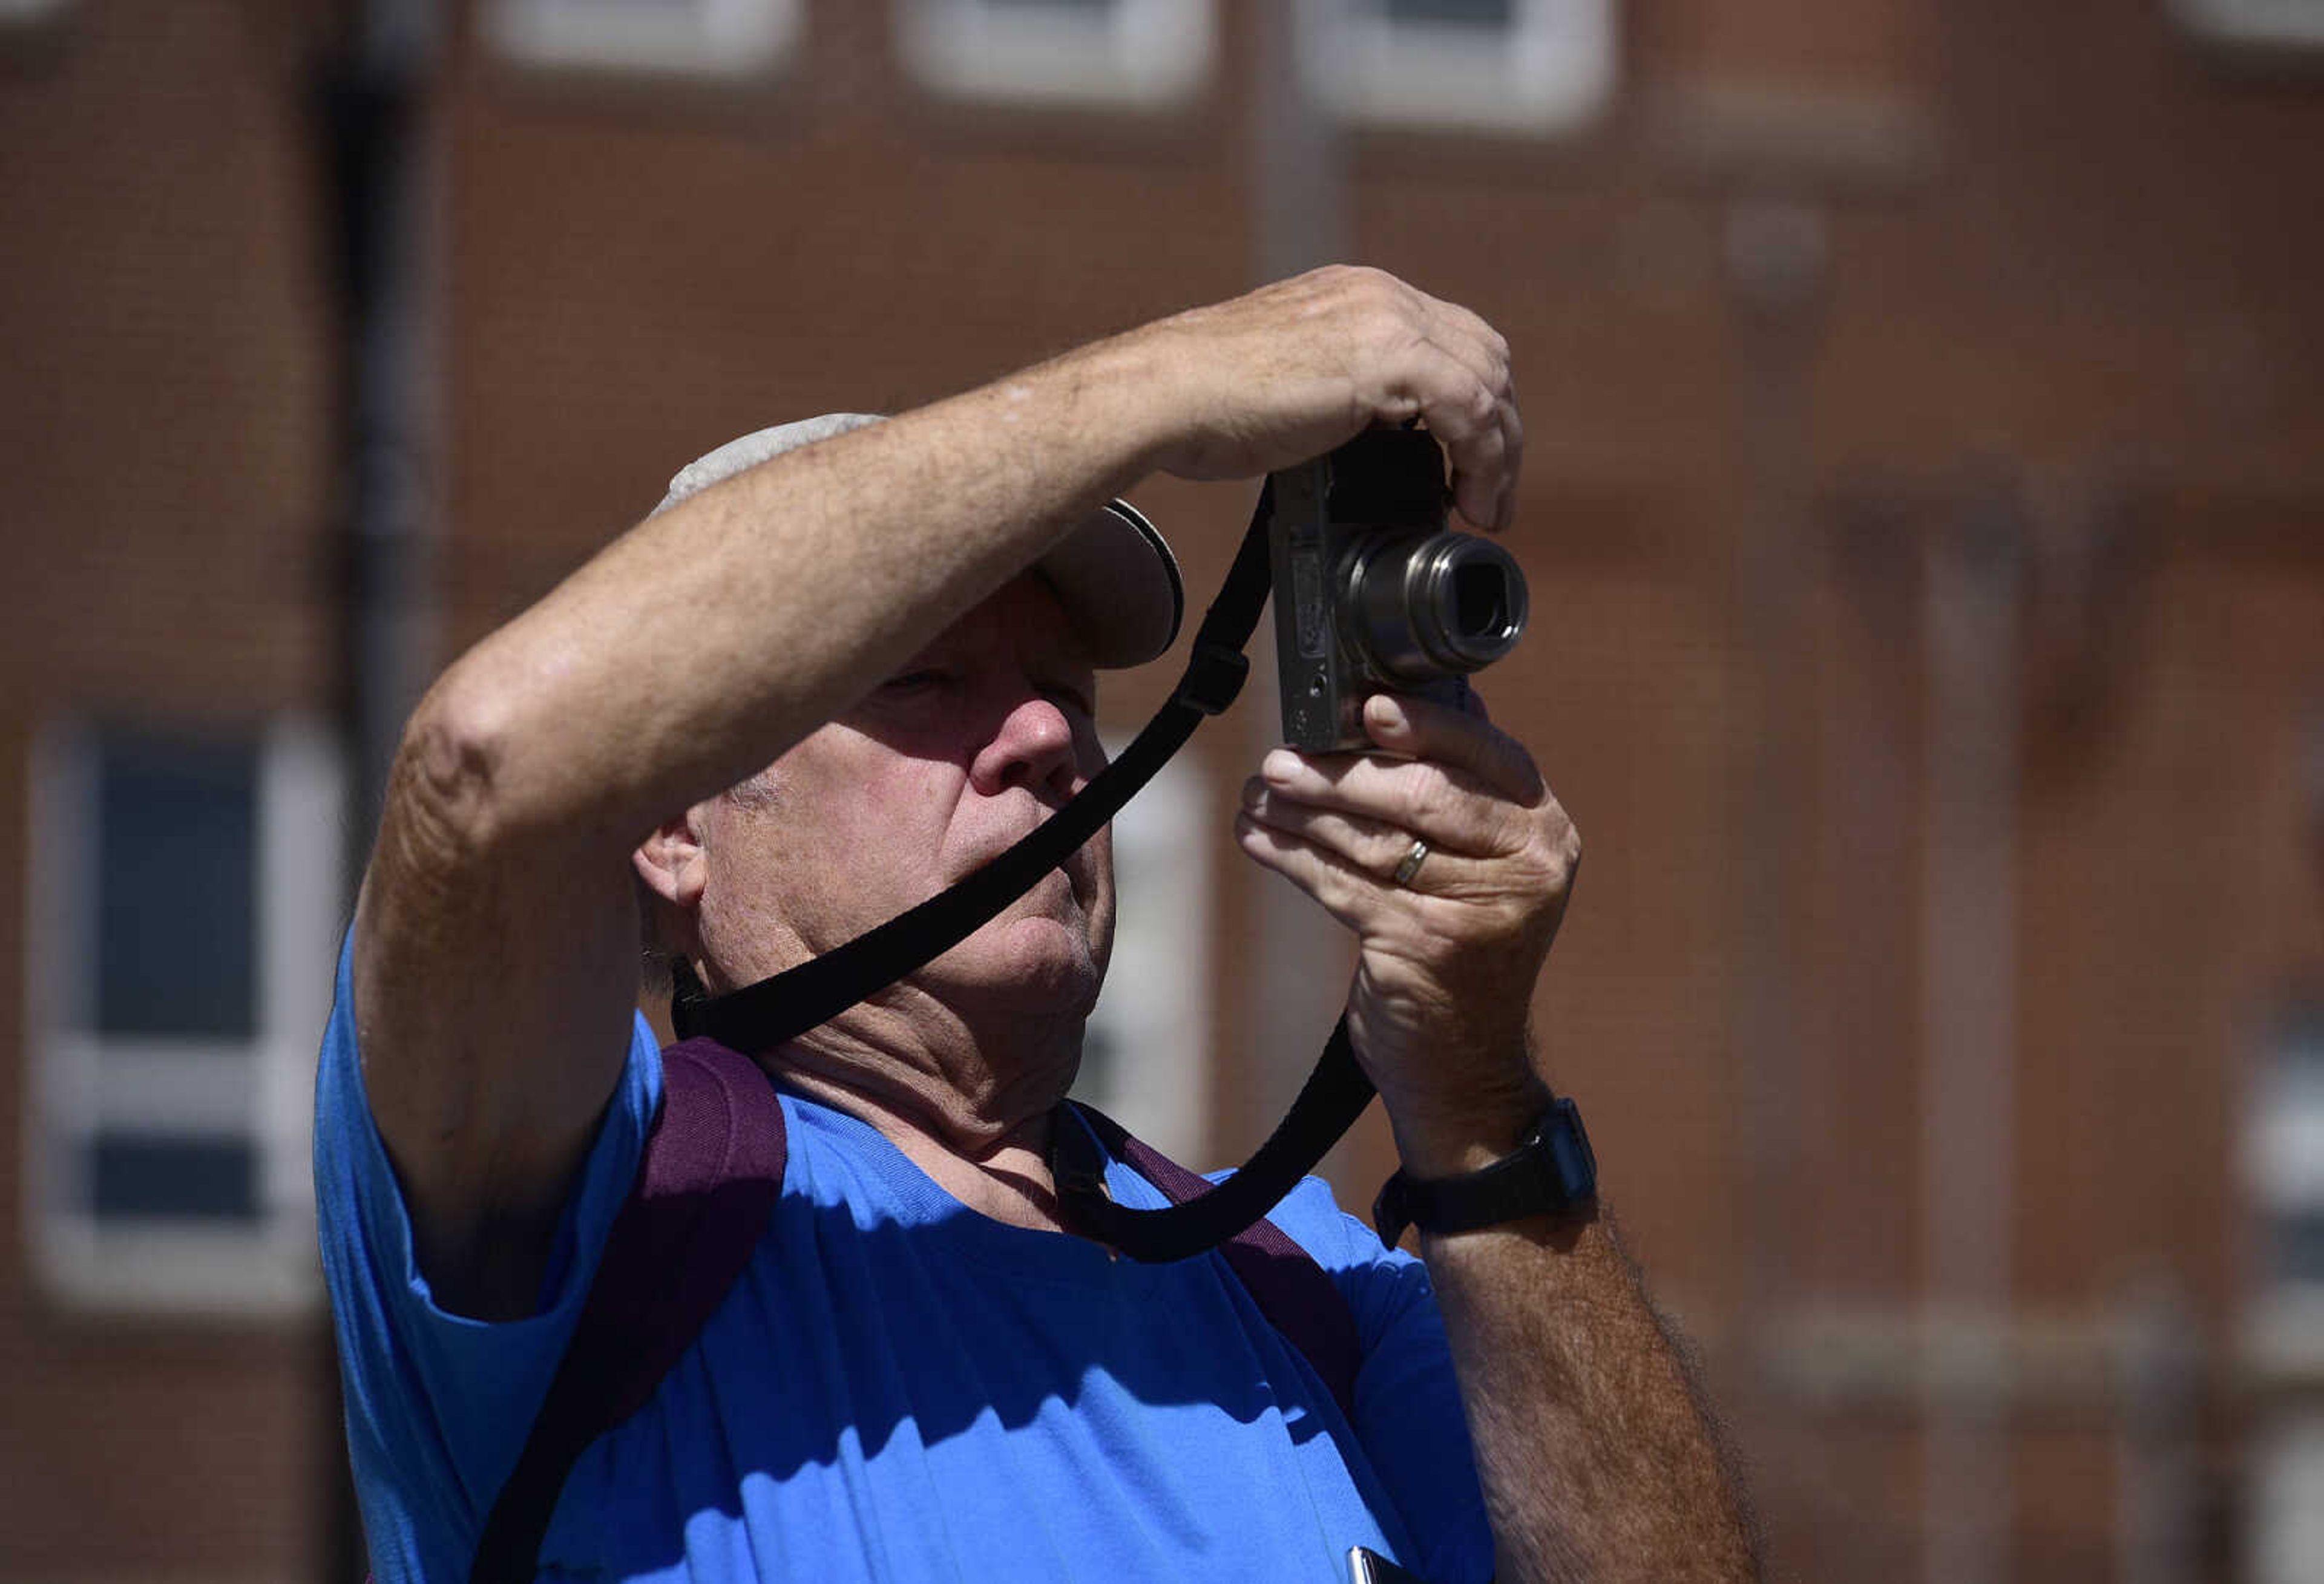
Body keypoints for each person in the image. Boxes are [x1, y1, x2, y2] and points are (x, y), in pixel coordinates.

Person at [315, 266, 1760, 1582]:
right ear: (676, 825)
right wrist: (1175, 388)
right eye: (923, 682)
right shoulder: (605, 1211)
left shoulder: (1300, 1283)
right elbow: (489, 767)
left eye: (1064, 695)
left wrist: (1477, 1101)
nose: (1043, 739)